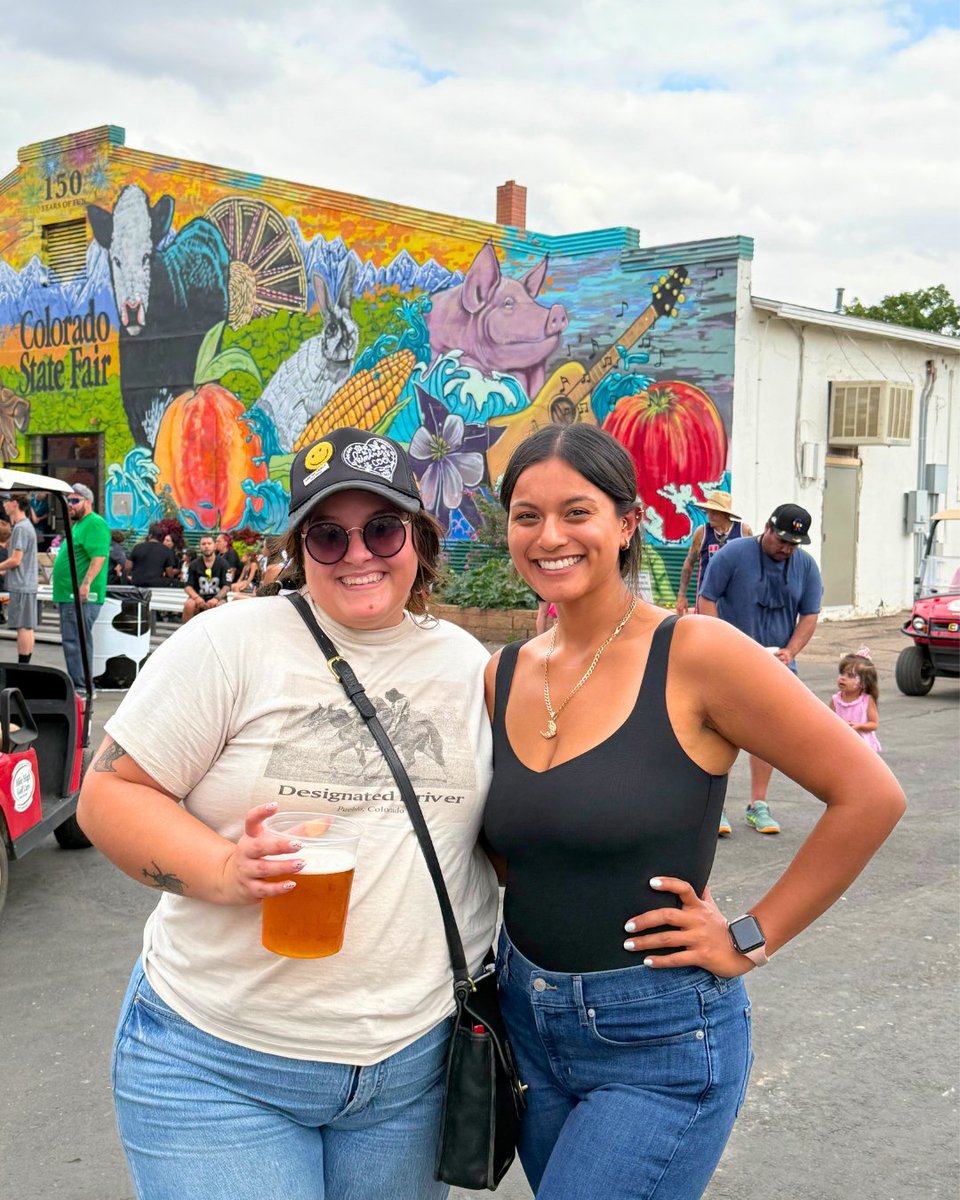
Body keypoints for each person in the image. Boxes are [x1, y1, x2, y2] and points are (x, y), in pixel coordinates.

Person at [480, 425, 904, 1200]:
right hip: (528, 1023)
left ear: (627, 522)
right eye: (526, 515)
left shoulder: (695, 651)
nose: (550, 537)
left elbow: (870, 794)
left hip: (659, 1037)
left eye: (578, 512)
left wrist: (750, 935)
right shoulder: (502, 674)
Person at [76, 427, 497, 1199]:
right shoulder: (229, 644)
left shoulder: (467, 667)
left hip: (412, 1072)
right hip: (217, 1061)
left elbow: (506, 837)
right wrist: (224, 869)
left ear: (419, 538)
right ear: (301, 549)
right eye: (329, 537)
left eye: (382, 529)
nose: (359, 554)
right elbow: (110, 794)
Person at [698, 503, 823, 836]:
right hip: (731, 664)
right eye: (781, 539)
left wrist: (790, 651)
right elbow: (707, 599)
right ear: (767, 528)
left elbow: (810, 615)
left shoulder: (806, 567)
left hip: (777, 665)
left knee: (767, 737)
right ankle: (714, 808)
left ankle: (758, 805)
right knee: (721, 735)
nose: (785, 548)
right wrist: (723, 647)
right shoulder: (733, 554)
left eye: (793, 544)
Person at [52, 483, 110, 695]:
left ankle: (83, 687)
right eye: (69, 501)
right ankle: (80, 685)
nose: (70, 505)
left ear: (88, 502)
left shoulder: (94, 524)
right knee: (73, 640)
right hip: (69, 594)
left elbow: (99, 558)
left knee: (77, 641)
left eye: (75, 500)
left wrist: (84, 585)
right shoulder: (79, 525)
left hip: (81, 596)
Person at [676, 491, 752, 616]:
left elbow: (750, 566)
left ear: (725, 514)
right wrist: (681, 595)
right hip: (707, 595)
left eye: (714, 512)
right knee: (706, 630)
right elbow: (689, 564)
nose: (709, 516)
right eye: (708, 511)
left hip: (735, 595)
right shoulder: (702, 532)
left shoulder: (743, 532)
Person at [0, 493, 39, 663]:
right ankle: (26, 663)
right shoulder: (26, 526)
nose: (4, 505)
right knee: (27, 626)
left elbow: (16, 560)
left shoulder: (21, 528)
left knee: (22, 627)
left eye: (6, 502)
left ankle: (23, 665)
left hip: (21, 584)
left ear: (15, 504)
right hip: (26, 582)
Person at [830, 647, 881, 752]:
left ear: (862, 683)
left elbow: (874, 724)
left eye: (850, 676)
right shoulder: (835, 700)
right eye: (842, 673)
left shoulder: (867, 701)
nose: (843, 678)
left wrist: (858, 726)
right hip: (841, 744)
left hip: (862, 747)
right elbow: (828, 720)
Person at [181, 534, 231, 623]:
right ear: (200, 546)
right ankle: (186, 634)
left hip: (218, 598)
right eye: (203, 544)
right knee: (189, 604)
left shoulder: (224, 564)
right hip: (198, 598)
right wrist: (196, 598)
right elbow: (187, 586)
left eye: (209, 543)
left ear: (215, 546)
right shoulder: (194, 565)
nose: (206, 546)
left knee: (221, 606)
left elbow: (227, 586)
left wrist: (216, 598)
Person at [129, 523, 179, 590]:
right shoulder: (166, 550)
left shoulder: (137, 547)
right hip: (156, 583)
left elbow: (128, 567)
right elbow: (169, 573)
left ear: (149, 536)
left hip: (137, 582)